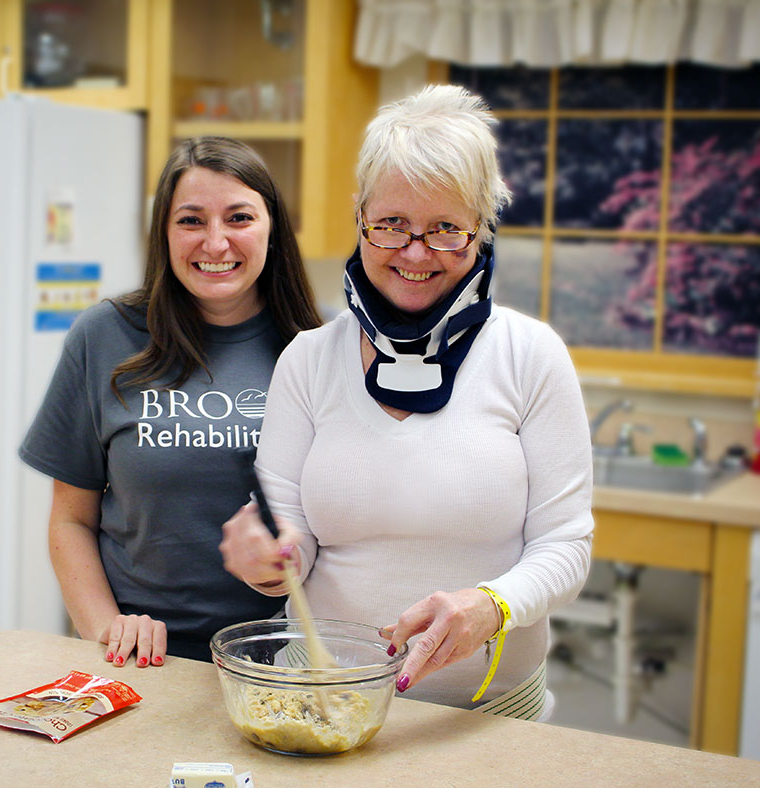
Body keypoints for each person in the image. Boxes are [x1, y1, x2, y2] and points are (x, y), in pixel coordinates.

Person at [219, 85, 594, 719]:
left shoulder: (530, 356)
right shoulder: (308, 360)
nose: (415, 253)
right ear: (361, 215)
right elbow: (294, 537)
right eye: (392, 224)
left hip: (488, 721)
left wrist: (492, 606)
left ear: (481, 230)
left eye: (445, 229)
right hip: (320, 701)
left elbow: (566, 547)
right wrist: (268, 558)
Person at [19, 136, 322, 668]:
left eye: (239, 218)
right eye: (190, 220)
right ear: (163, 233)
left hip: (281, 663)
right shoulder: (105, 336)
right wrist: (106, 629)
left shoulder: (317, 349)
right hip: (139, 660)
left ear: (272, 229)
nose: (215, 242)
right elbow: (69, 519)